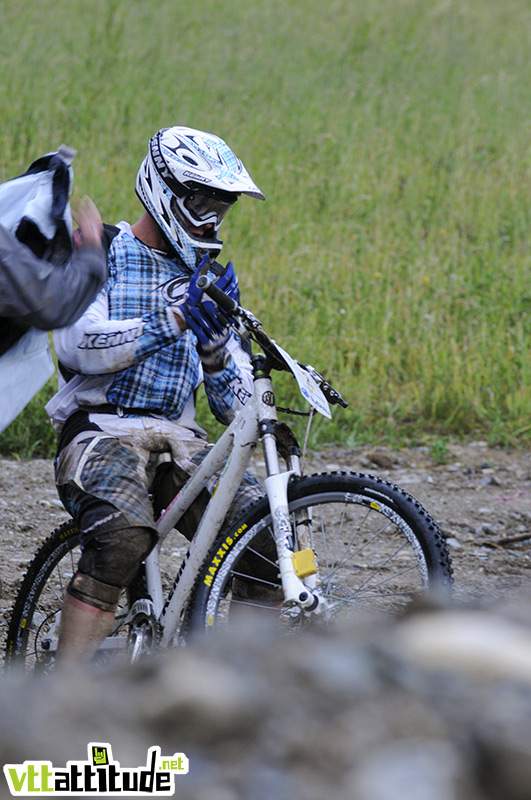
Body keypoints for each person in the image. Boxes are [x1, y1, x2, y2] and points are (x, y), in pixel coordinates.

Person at [46, 126, 267, 662]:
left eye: (222, 206)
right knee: (122, 537)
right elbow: (78, 346)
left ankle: (241, 688)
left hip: (181, 437)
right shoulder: (103, 250)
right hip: (100, 429)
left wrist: (216, 350)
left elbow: (238, 411)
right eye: (200, 201)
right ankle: (60, 698)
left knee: (265, 540)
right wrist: (170, 320)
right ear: (164, 188)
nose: (212, 217)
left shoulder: (207, 280)